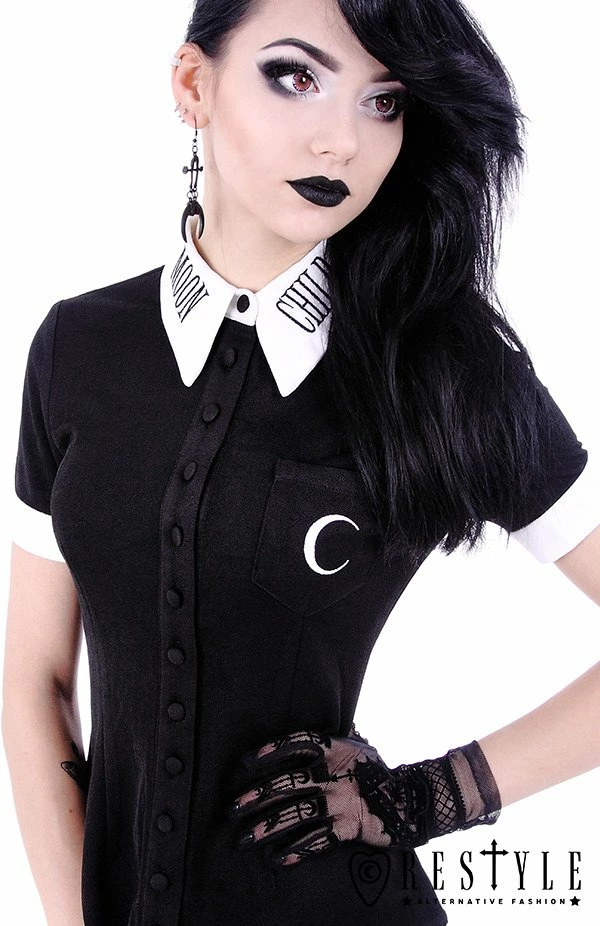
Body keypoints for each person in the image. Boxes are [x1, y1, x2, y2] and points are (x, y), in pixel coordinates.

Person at [2, 0, 600, 923]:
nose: (341, 141)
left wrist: (438, 793)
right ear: (193, 84)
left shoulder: (443, 368)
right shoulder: (77, 350)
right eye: (296, 76)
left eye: (384, 101)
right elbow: (34, 677)